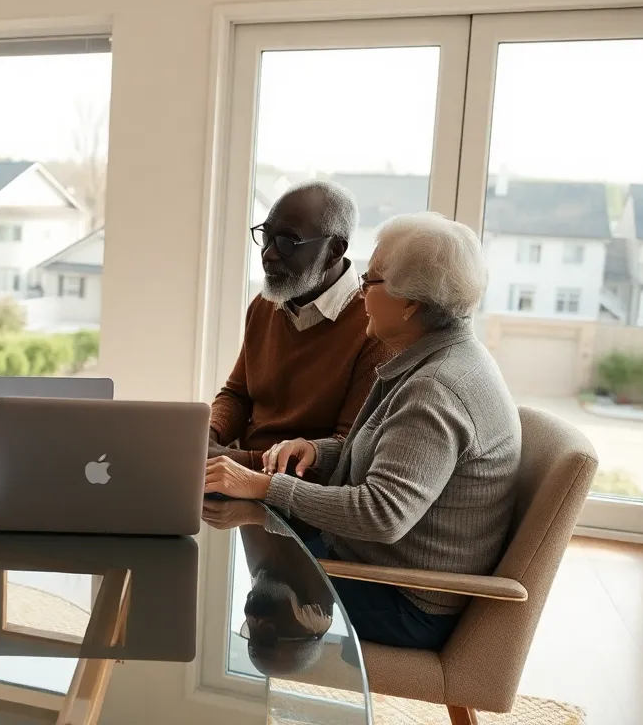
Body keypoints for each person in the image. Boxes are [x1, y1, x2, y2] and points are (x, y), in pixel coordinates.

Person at [204, 211, 521, 651]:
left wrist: (264, 486)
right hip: (374, 565)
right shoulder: (435, 357)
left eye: (370, 281)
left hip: (403, 599)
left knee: (216, 585)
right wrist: (318, 451)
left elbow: (381, 514)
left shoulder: (435, 390)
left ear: (410, 304)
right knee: (234, 544)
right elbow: (390, 459)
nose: (360, 292)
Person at [209, 180, 393, 472]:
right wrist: (207, 437)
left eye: (286, 242)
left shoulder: (374, 327)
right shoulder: (264, 304)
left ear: (334, 250)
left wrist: (237, 462)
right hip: (239, 480)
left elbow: (345, 451)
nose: (268, 254)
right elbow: (237, 395)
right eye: (266, 237)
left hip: (302, 500)